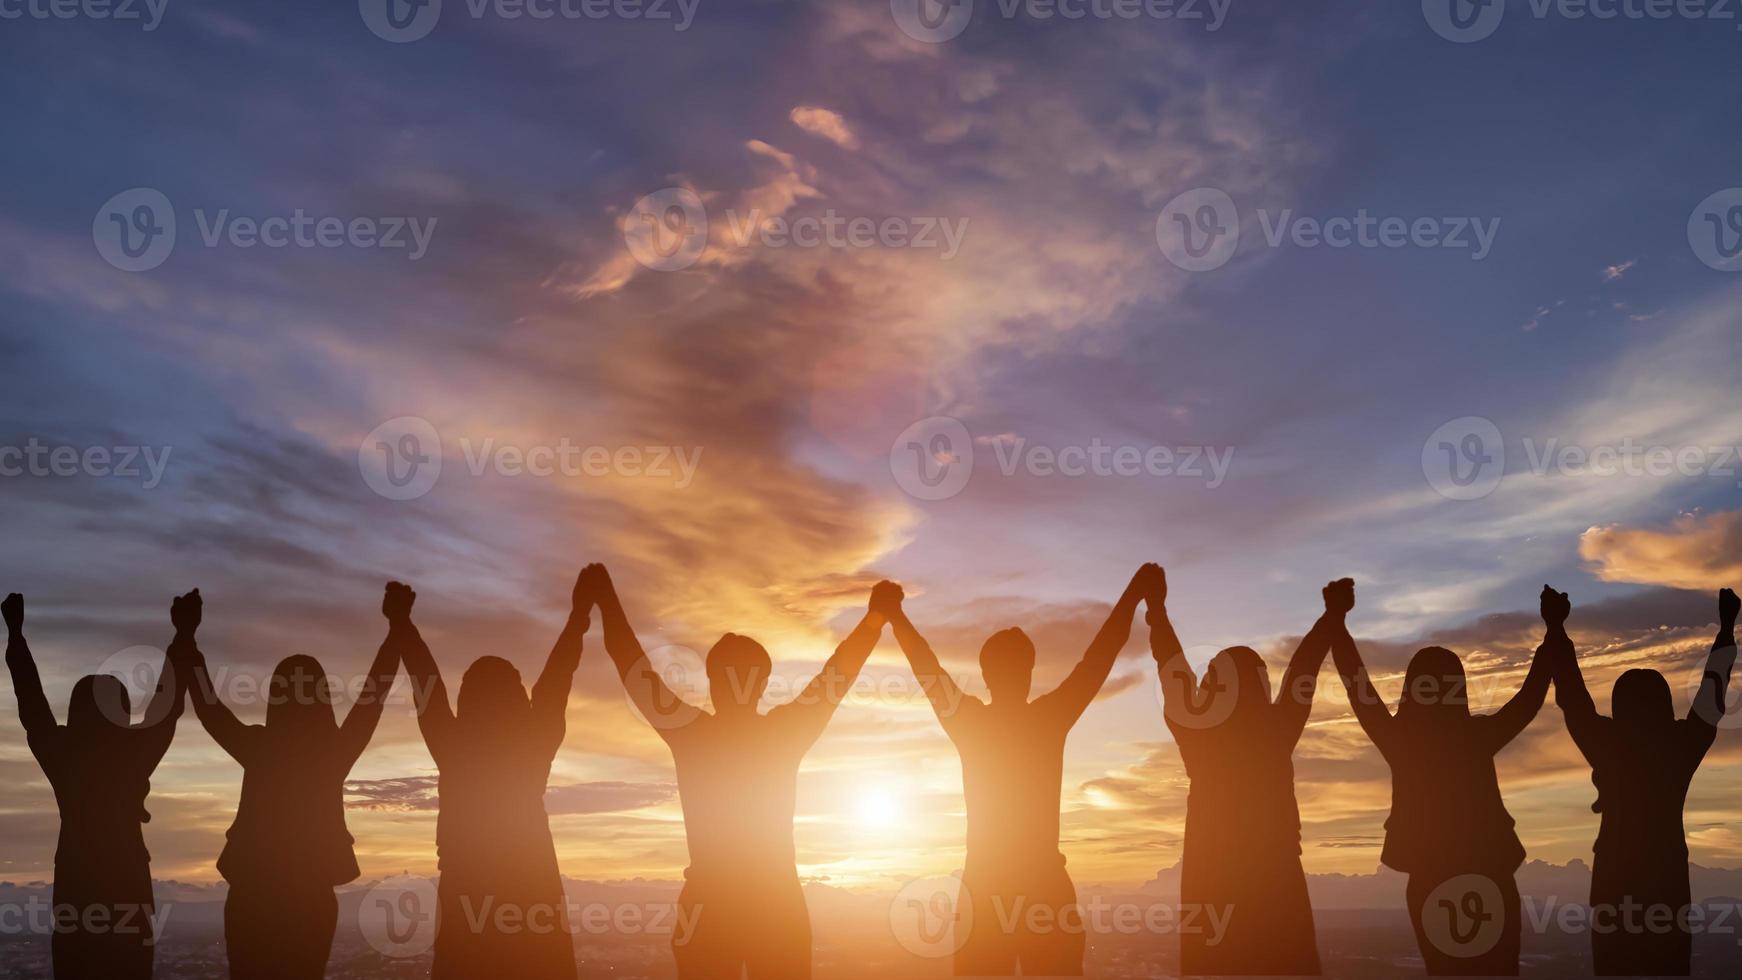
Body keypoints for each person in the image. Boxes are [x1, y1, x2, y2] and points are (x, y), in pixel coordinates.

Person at [581, 562, 891, 980]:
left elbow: (632, 665)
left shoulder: (691, 733)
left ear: (711, 681)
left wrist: (605, 599)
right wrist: (875, 619)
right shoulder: (783, 732)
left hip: (711, 907)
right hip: (774, 905)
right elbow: (838, 673)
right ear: (762, 682)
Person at [882, 565, 1157, 977]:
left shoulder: (971, 721)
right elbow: (1099, 657)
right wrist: (1134, 594)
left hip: (987, 887)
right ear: (1028, 672)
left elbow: (927, 667)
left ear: (986, 675)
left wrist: (896, 615)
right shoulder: (1048, 718)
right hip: (1042, 889)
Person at [170, 584, 405, 979]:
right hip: (309, 896)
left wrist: (187, 638)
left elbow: (209, 706)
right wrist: (397, 628)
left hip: (253, 894)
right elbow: (373, 695)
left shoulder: (260, 747)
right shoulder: (332, 752)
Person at [1328, 585, 1558, 976]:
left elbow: (1358, 687)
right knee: (1500, 969)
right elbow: (1530, 698)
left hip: (1432, 875)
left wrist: (1337, 622)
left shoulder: (1400, 740)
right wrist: (1554, 630)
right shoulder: (1476, 737)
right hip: (1489, 870)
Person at [1148, 575, 1351, 976]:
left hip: (1212, 880)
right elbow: (1303, 671)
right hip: (1275, 879)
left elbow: (1171, 668)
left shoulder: (1200, 737)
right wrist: (1330, 617)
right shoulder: (1275, 730)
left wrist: (1157, 612)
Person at [393, 576, 589, 980]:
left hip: (468, 892)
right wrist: (578, 618)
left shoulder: (454, 746)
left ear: (467, 701)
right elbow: (556, 681)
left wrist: (402, 624)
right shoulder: (532, 745)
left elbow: (424, 681)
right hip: (532, 890)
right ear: (519, 700)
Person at [4, 589, 194, 980]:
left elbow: (32, 704)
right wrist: (183, 637)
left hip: (77, 890)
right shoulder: (135, 754)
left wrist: (16, 636)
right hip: (128, 892)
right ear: (122, 713)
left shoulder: (64, 756)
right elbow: (167, 705)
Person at [1550, 586, 1738, 976]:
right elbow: (1711, 695)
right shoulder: (1680, 747)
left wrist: (1556, 629)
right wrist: (1725, 630)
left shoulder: (1607, 745)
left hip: (1614, 882)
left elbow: (1572, 697)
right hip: (1666, 878)